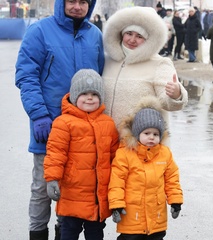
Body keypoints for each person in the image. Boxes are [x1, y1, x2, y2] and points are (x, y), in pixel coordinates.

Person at [15, 0, 104, 239]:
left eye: (83, 2)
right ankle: (37, 232)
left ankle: (61, 231)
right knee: (43, 187)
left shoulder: (95, 35)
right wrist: (39, 115)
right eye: (71, 1)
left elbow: (100, 79)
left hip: (83, 131)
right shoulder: (40, 31)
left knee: (73, 187)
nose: (77, 6)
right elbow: (26, 75)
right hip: (49, 125)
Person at [44, 69, 119, 240]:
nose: (90, 97)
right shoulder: (63, 123)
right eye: (84, 93)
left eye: (94, 93)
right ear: (74, 95)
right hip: (72, 193)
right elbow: (56, 154)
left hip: (97, 195)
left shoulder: (107, 123)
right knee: (69, 231)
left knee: (95, 233)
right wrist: (52, 179)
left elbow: (115, 156)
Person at [102, 6, 188, 144]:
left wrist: (176, 94)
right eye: (129, 33)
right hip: (106, 143)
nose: (132, 39)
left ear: (148, 40)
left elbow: (169, 104)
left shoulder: (160, 63)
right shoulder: (106, 60)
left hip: (141, 146)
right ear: (121, 33)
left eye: (139, 36)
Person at [108, 96, 183, 240]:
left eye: (155, 134)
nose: (151, 137)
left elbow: (172, 179)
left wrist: (175, 200)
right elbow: (117, 181)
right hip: (132, 216)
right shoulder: (125, 154)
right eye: (146, 133)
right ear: (137, 134)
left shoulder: (164, 154)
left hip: (157, 217)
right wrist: (116, 204)